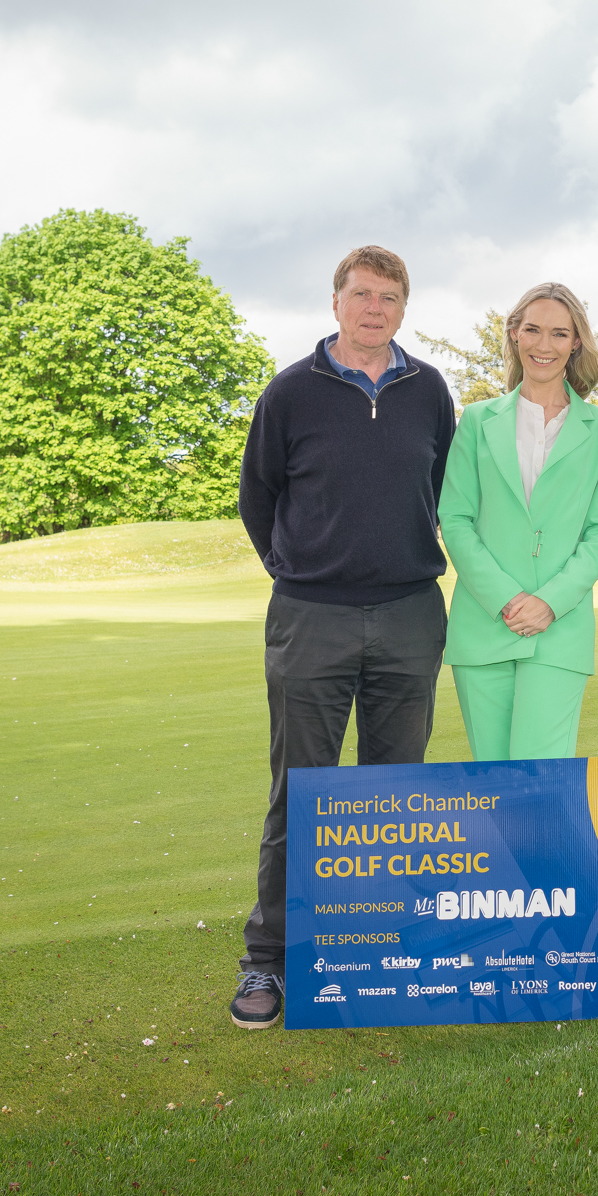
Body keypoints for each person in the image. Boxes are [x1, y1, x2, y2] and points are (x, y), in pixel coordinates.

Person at [227, 244, 456, 1030]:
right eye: (361, 295)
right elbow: (259, 498)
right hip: (312, 616)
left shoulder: (429, 390)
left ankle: (375, 956)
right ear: (335, 303)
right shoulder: (291, 391)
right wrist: (300, 568)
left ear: (402, 308)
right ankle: (270, 959)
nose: (375, 310)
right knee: (301, 793)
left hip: (409, 613)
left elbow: (438, 488)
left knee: (396, 798)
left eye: (389, 298)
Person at [438, 282, 598, 759]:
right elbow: (455, 519)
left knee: (540, 779)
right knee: (495, 780)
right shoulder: (477, 422)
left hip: (559, 629)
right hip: (483, 624)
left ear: (576, 342)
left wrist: (549, 602)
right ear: (514, 334)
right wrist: (507, 598)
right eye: (534, 330)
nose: (545, 345)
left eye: (560, 334)